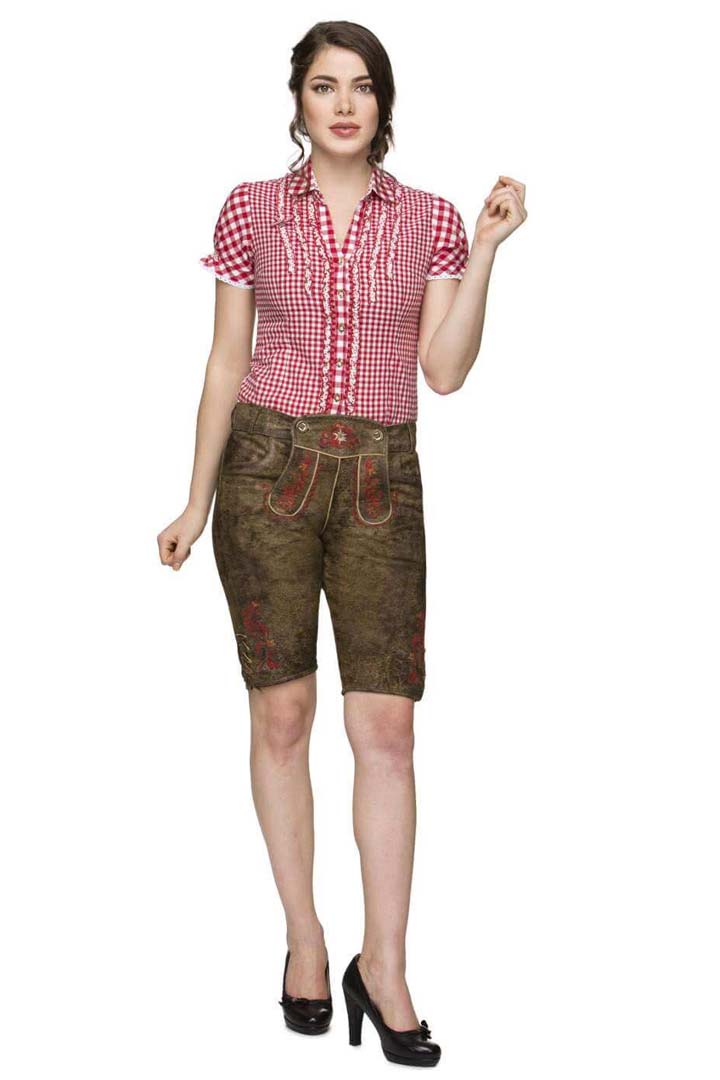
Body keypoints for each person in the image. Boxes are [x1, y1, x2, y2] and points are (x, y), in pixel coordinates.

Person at [157, 19, 526, 1067]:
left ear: (384, 103)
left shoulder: (432, 221)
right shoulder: (250, 209)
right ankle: (307, 943)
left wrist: (486, 250)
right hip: (263, 474)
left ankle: (387, 966)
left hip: (380, 482)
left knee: (387, 730)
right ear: (299, 102)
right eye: (325, 87)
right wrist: (193, 501)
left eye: (362, 87)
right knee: (283, 715)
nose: (345, 105)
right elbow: (226, 361)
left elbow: (443, 373)